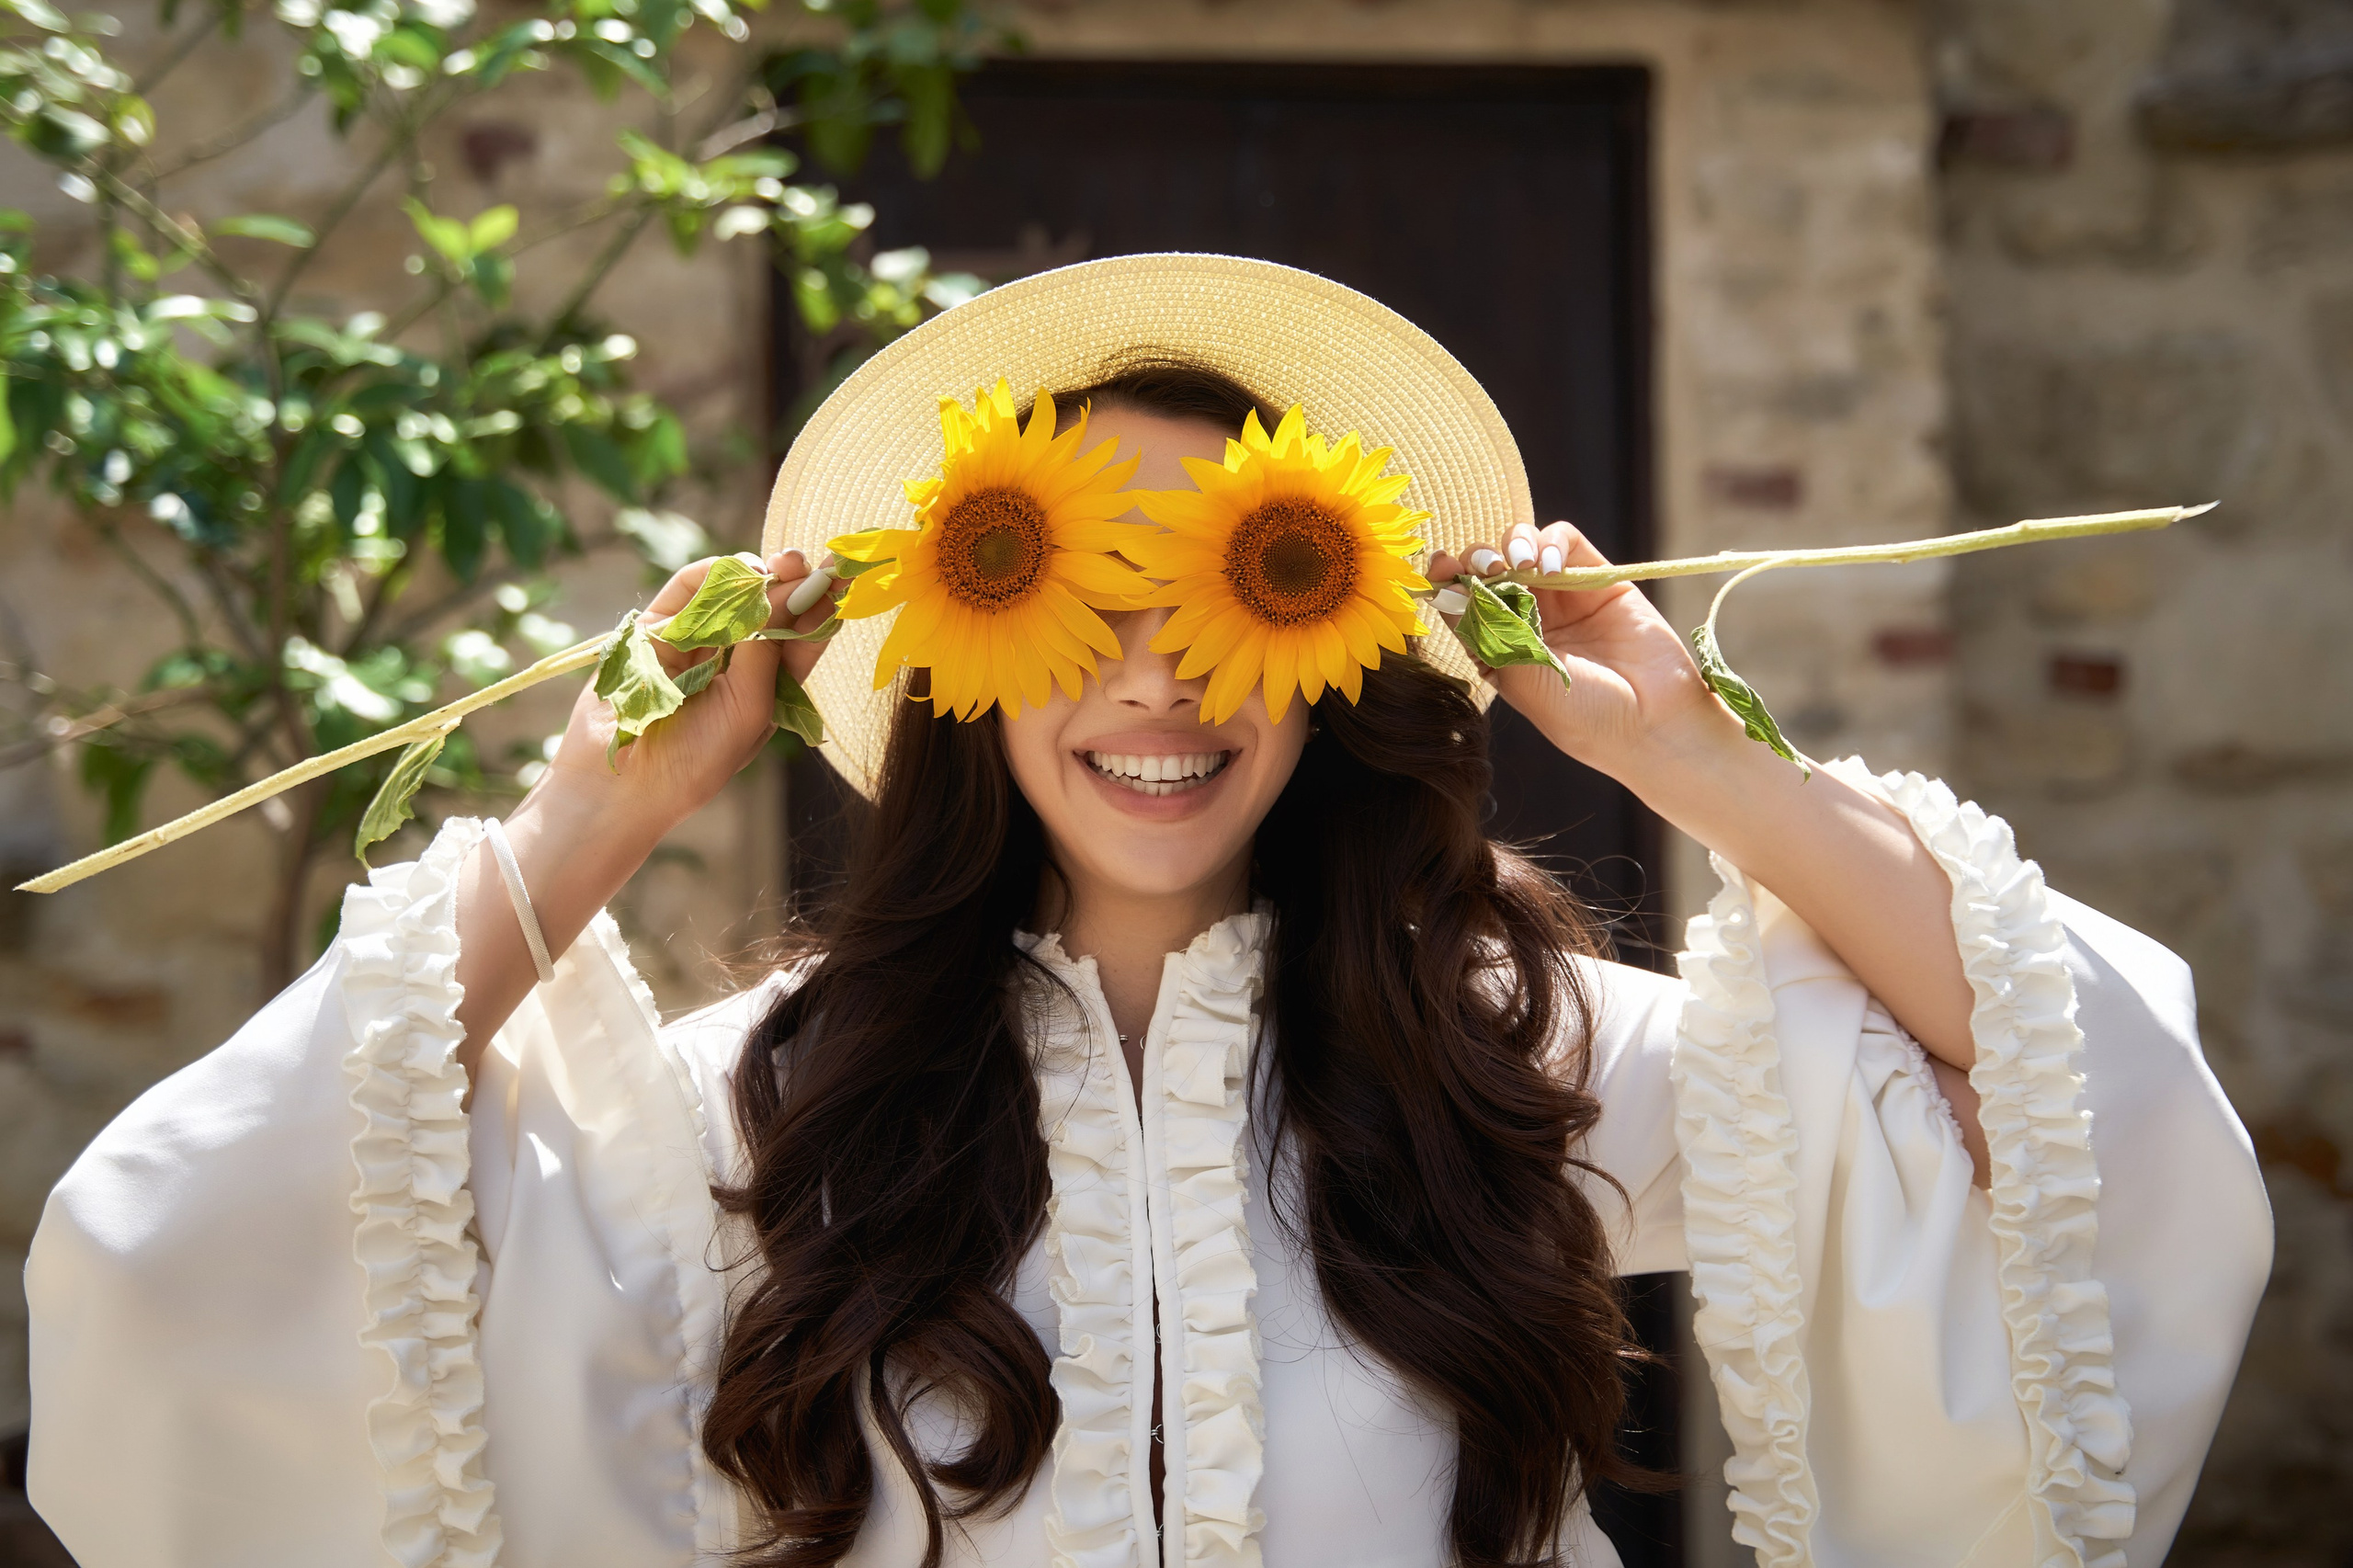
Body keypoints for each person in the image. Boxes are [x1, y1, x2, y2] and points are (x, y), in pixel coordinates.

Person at [26, 256, 2268, 1568]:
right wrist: (593, 820)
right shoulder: (761, 1114)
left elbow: (2068, 1103)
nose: (1151, 681)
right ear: (970, 646)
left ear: (1325, 641)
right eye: (1074, 591)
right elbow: (184, 1243)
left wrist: (1690, 757)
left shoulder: (1525, 1067)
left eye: (1229, 591)